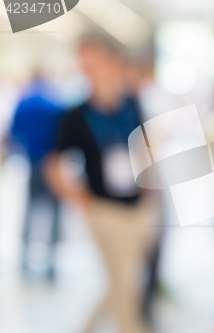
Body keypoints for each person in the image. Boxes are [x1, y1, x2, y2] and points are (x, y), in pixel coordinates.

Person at [45, 35, 158, 333]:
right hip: (104, 210)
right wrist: (83, 202)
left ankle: (88, 328)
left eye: (95, 63)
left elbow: (143, 146)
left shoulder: (132, 104)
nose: (90, 71)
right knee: (125, 287)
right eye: (85, 66)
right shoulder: (74, 116)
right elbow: (53, 166)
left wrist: (149, 188)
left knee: (122, 281)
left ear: (114, 64)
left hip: (137, 208)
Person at [9, 77, 65, 281]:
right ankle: (51, 261)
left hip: (33, 161)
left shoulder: (24, 102)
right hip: (52, 163)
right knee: (54, 212)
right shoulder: (56, 102)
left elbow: (14, 133)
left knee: (31, 208)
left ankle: (24, 257)